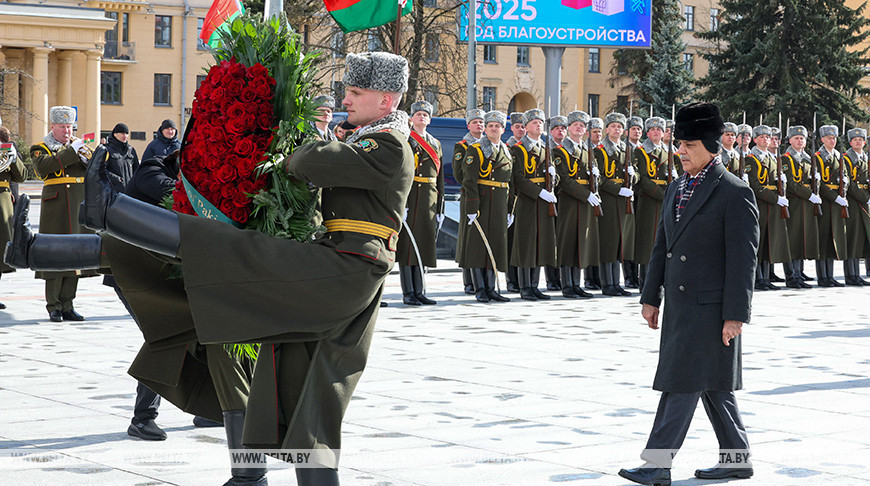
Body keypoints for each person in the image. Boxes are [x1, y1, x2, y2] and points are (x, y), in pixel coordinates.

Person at [26, 50, 412, 486]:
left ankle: (110, 212)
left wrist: (293, 154)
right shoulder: (367, 139)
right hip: (338, 265)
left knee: (226, 248)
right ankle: (41, 249)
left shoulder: (390, 144)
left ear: (386, 99)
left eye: (357, 91)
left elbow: (313, 163)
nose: (347, 97)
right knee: (309, 391)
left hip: (347, 268)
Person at [619, 102, 758, 486]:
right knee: (714, 386)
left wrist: (736, 315)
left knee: (681, 383)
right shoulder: (677, 186)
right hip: (681, 307)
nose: (680, 151)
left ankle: (657, 464)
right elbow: (662, 243)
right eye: (678, 143)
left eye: (689, 145)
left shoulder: (734, 192)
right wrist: (650, 297)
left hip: (711, 310)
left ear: (712, 147)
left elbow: (743, 262)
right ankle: (737, 458)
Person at [30, 105, 97, 322]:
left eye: (69, 127)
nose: (67, 131)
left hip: (78, 204)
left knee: (76, 254)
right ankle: (54, 305)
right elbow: (44, 168)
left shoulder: (79, 146)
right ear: (53, 127)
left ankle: (68, 303)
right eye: (62, 127)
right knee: (55, 254)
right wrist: (72, 151)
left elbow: (96, 169)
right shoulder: (41, 147)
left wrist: (90, 158)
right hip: (56, 207)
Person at [461, 110, 512, 303]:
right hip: (482, 202)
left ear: (502, 129)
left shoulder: (506, 150)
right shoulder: (476, 149)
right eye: (490, 126)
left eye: (497, 126)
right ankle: (480, 288)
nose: (493, 129)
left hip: (499, 204)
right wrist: (472, 207)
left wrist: (510, 208)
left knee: (495, 245)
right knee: (478, 247)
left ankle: (491, 287)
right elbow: (469, 180)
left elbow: (510, 181)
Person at [397, 100, 444, 305]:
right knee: (408, 247)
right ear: (411, 119)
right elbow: (401, 173)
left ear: (430, 120)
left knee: (424, 245)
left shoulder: (435, 143)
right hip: (412, 197)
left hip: (429, 198)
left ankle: (420, 290)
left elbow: (439, 177)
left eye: (425, 115)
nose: (422, 118)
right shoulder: (406, 140)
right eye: (418, 115)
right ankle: (409, 292)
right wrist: (401, 203)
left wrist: (440, 205)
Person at [510, 108, 557, 301]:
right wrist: (539, 193)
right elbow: (519, 179)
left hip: (543, 202)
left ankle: (535, 285)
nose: (539, 125)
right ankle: (524, 286)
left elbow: (554, 175)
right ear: (526, 127)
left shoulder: (546, 148)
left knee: (539, 243)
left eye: (540, 122)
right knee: (526, 244)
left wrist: (555, 177)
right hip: (528, 202)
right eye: (535, 123)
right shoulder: (518, 149)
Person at [552, 110, 597, 299]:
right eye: (575, 125)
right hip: (570, 201)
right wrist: (586, 195)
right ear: (569, 128)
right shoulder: (559, 151)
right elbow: (564, 180)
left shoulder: (589, 151)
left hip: (585, 201)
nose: (579, 128)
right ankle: (567, 284)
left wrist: (597, 177)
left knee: (580, 242)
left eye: (582, 125)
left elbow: (595, 178)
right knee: (567, 242)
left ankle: (576, 284)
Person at [633, 117, 679, 291]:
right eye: (652, 130)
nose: (656, 132)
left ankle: (662, 280)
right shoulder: (641, 152)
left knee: (665, 240)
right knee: (648, 242)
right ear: (647, 133)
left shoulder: (669, 152)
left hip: (666, 200)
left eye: (659, 130)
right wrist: (664, 195)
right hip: (649, 200)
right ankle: (645, 281)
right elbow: (643, 179)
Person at [744, 125, 791, 290]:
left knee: (767, 243)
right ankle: (758, 278)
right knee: (759, 242)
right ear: (755, 140)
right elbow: (756, 186)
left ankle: (765, 277)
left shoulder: (772, 158)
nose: (766, 139)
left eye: (768, 137)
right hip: (760, 204)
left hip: (771, 206)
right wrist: (776, 199)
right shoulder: (751, 158)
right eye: (762, 137)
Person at [593, 112, 634, 296]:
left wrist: (634, 175)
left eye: (619, 126)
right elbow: (599, 178)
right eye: (613, 126)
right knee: (608, 241)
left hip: (623, 200)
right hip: (609, 199)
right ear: (607, 129)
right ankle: (607, 283)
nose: (616, 129)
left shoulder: (627, 150)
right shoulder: (600, 150)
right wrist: (618, 190)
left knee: (619, 241)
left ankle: (616, 283)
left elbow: (638, 172)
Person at [783, 125, 819, 288]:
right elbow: (791, 183)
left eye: (802, 138)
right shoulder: (786, 158)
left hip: (805, 204)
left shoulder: (807, 158)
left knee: (802, 237)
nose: (799, 141)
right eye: (796, 138)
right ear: (790, 140)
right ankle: (791, 275)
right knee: (792, 239)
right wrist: (809, 194)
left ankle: (799, 272)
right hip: (795, 202)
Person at [453, 109, 485, 295]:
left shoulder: (489, 144)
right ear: (468, 125)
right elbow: (459, 173)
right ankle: (468, 280)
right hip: (470, 194)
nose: (479, 125)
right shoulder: (462, 146)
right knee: (469, 236)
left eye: (481, 122)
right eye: (475, 122)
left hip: (487, 195)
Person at [815, 125, 849, 287]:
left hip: (837, 201)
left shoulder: (838, 156)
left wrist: (845, 187)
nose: (832, 140)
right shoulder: (818, 157)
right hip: (825, 200)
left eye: (834, 138)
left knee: (833, 238)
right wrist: (835, 197)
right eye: (829, 138)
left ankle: (830, 275)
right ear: (822, 139)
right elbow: (819, 183)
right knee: (823, 238)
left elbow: (846, 176)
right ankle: (822, 276)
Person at [0, 126, 26, 309]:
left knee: (1, 249)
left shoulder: (7, 147)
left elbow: (22, 176)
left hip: (3, 202)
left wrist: (13, 157)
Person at [842, 127, 870, 285]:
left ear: (864, 142)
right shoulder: (846, 159)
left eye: (861, 140)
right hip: (854, 201)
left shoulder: (866, 158)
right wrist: (865, 197)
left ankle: (858, 274)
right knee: (853, 238)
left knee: (862, 238)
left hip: (865, 201)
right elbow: (850, 184)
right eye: (855, 140)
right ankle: (850, 275)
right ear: (850, 142)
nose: (858, 142)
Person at [544, 116, 568, 292]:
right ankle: (552, 278)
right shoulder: (548, 148)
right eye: (557, 128)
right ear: (551, 131)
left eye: (563, 128)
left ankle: (560, 276)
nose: (561, 131)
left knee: (560, 240)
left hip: (563, 199)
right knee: (551, 239)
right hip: (551, 197)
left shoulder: (567, 148)